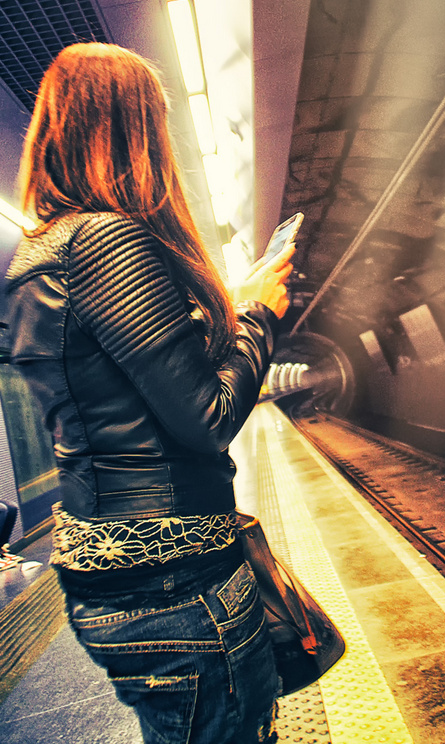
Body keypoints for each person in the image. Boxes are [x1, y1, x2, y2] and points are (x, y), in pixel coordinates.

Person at [4, 43, 293, 743]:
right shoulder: (105, 241)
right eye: (156, 121)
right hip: (175, 581)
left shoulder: (38, 254)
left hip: (112, 573)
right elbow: (210, 416)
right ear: (133, 130)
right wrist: (259, 315)